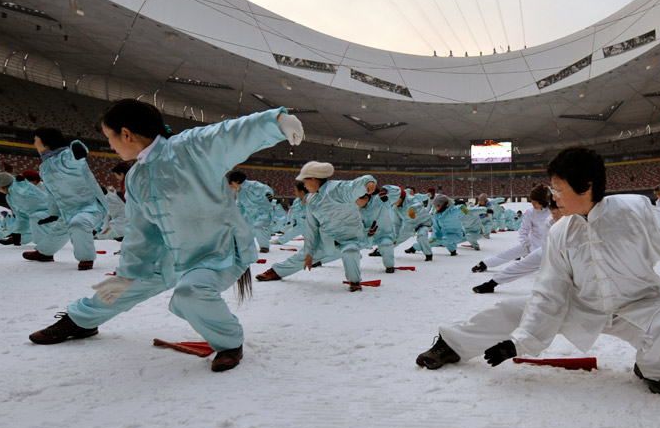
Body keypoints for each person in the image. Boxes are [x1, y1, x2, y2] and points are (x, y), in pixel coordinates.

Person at [415, 147, 660, 396]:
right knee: (510, 309)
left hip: (638, 305)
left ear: (586, 186)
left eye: (558, 189)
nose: (553, 197)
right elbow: (548, 294)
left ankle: (652, 369)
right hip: (581, 305)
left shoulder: (634, 212)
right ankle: (453, 344)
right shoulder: (560, 232)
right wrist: (521, 342)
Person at [28, 99, 303, 373]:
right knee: (122, 284)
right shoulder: (136, 177)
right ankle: (81, 320)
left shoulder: (189, 148)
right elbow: (140, 233)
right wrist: (129, 273)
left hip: (217, 250)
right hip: (172, 252)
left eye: (109, 137)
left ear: (126, 134)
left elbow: (229, 133)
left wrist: (277, 122)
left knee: (189, 293)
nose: (110, 145)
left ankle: (229, 342)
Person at [31, 128, 108, 270]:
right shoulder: (45, 166)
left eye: (36, 140)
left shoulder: (65, 156)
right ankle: (45, 252)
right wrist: (53, 213)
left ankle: (86, 258)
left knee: (78, 223)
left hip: (90, 207)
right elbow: (52, 192)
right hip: (69, 209)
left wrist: (78, 151)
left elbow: (74, 160)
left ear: (46, 142)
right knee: (60, 229)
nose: (34, 144)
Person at [296, 161, 376, 291]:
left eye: (305, 181)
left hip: (349, 238)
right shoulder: (311, 200)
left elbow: (353, 186)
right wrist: (309, 253)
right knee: (300, 258)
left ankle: (354, 282)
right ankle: (277, 270)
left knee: (350, 252)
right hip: (327, 241)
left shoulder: (336, 189)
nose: (304, 185)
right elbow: (311, 228)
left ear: (314, 179)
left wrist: (368, 182)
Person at [470, 186, 553, 293]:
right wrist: (525, 242)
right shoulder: (530, 212)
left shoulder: (553, 212)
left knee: (522, 266)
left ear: (542, 201)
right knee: (508, 254)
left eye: (535, 202)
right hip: (531, 242)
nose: (532, 204)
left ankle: (494, 282)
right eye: (531, 202)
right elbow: (524, 229)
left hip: (546, 247)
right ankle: (484, 263)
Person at [0, 172, 69, 249]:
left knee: (36, 217)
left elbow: (24, 188)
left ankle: (45, 247)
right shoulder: (9, 197)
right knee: (33, 220)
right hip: (41, 215)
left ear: (3, 187)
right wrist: (17, 233)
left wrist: (22, 183)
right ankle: (22, 240)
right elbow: (21, 217)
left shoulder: (17, 188)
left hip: (55, 213)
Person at [228, 171, 274, 253]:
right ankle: (242, 246)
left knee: (258, 226)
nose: (232, 184)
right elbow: (239, 205)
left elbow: (264, 189)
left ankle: (264, 246)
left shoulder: (252, 185)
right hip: (249, 215)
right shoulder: (240, 192)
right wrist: (238, 216)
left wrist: (268, 194)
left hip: (262, 212)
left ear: (237, 181)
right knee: (244, 229)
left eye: (232, 182)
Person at [360, 188, 399, 273]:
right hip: (366, 236)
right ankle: (326, 258)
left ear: (366, 197)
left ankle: (389, 266)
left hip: (383, 234)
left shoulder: (378, 200)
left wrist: (385, 189)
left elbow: (396, 192)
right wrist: (367, 232)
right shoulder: (356, 208)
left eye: (358, 200)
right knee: (347, 247)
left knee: (386, 245)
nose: (357, 203)